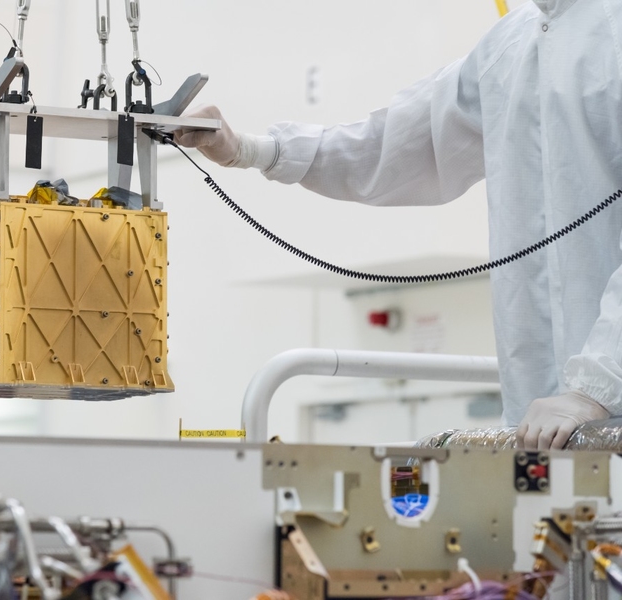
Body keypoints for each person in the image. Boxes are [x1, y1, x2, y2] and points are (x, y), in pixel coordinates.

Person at [177, 0, 622, 451]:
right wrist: (249, 149)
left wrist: (595, 389)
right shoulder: (511, 46)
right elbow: (393, 144)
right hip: (541, 432)